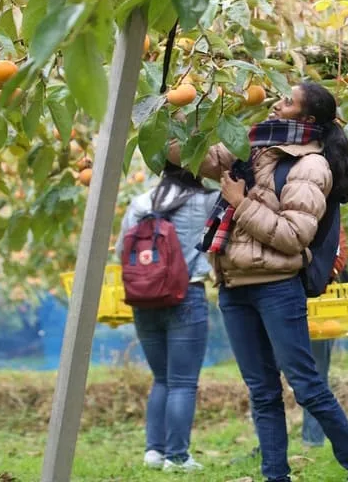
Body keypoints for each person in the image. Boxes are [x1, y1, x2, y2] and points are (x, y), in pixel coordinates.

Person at [190, 82, 348, 482]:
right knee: (262, 392)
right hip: (234, 286)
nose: (277, 102)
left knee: (307, 387)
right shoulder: (254, 145)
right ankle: (276, 477)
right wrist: (177, 106)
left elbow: (294, 236)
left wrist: (240, 203)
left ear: (306, 119)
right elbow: (194, 156)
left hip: (276, 288)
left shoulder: (311, 166)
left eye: (288, 101)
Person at [116, 163, 219, 472]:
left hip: (144, 300)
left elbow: (122, 249)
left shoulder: (141, 202)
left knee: (162, 378)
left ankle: (154, 451)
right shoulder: (208, 201)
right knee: (183, 383)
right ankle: (177, 457)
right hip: (186, 295)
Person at [302, 225, 348, 449]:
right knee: (267, 377)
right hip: (274, 297)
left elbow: (338, 255)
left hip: (316, 303)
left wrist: (316, 275)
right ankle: (268, 444)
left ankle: (313, 440)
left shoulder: (327, 214)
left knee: (315, 375)